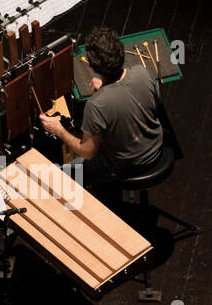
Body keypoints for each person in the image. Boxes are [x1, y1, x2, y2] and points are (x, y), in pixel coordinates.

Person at [39, 26, 164, 185]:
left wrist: (59, 130)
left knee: (56, 175)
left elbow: (87, 153)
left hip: (127, 166)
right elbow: (154, 104)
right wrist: (106, 88)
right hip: (157, 148)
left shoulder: (96, 105)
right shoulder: (142, 73)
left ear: (91, 66)